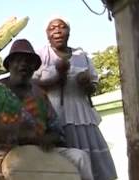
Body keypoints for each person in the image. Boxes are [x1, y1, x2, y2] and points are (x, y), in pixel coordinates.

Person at [0, 39, 93, 180]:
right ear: (9, 65)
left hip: (39, 151)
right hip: (0, 151)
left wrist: (46, 139)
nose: (24, 64)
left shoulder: (40, 94)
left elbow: (57, 133)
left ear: (34, 68)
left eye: (29, 61)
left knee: (80, 157)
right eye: (18, 60)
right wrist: (12, 130)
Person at [33, 16, 117, 180]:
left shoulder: (82, 55)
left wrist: (86, 84)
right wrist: (57, 77)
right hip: (55, 114)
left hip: (82, 114)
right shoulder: (41, 55)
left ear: (69, 31)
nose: (57, 30)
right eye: (52, 28)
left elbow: (93, 86)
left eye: (62, 26)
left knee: (93, 163)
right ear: (47, 34)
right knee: (66, 161)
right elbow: (33, 85)